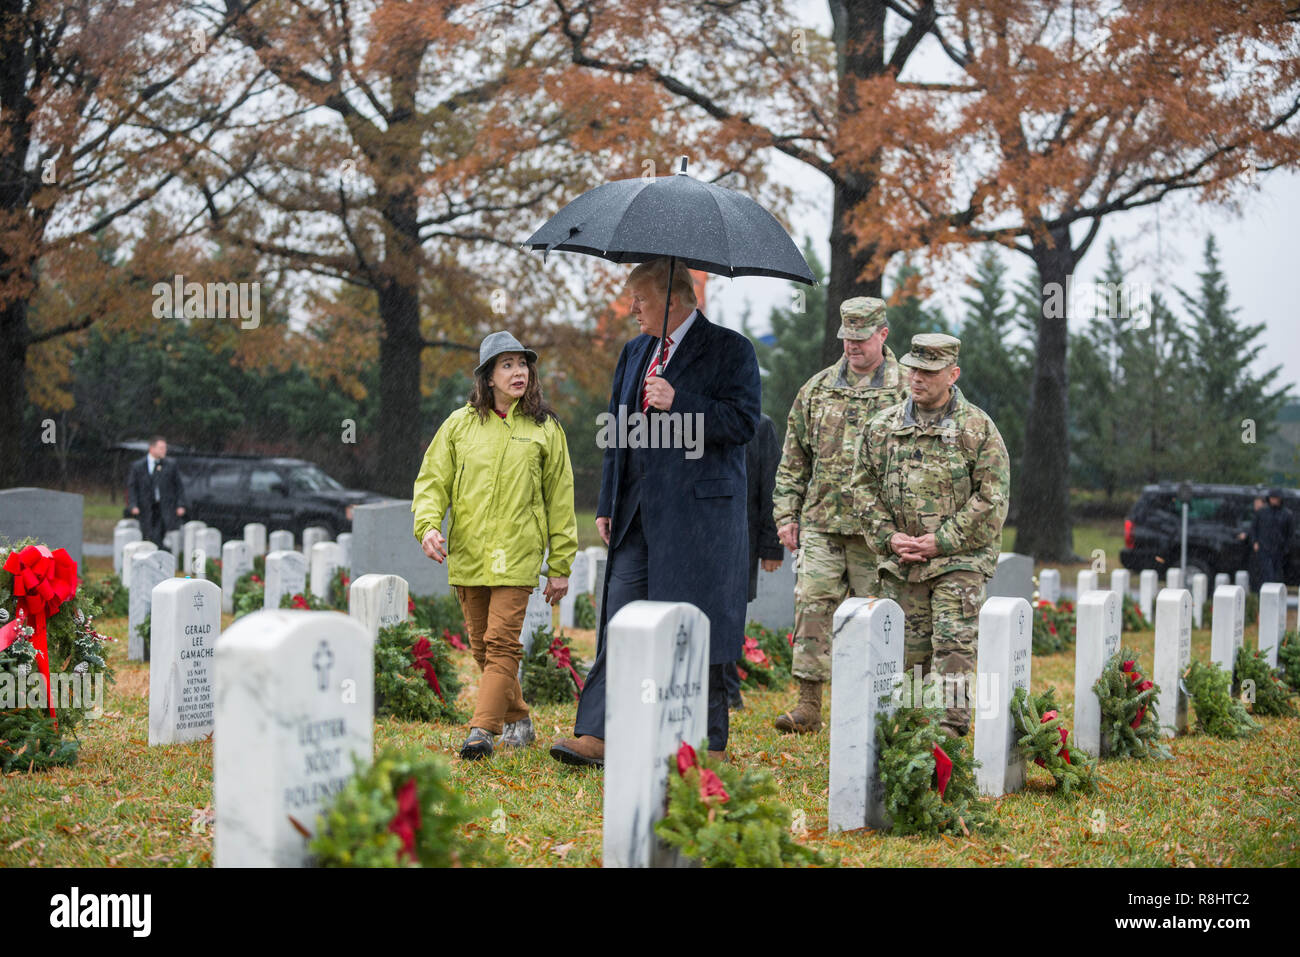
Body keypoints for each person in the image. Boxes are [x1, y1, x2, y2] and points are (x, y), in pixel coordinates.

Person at [549, 257, 760, 767]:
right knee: (616, 621)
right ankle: (598, 733)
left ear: (672, 297)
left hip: (699, 523)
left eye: (639, 300)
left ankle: (708, 745)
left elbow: (744, 423)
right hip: (636, 517)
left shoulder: (731, 350)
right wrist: (607, 501)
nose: (632, 309)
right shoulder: (634, 352)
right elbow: (617, 431)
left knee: (698, 626)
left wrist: (680, 401)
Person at [412, 331, 578, 760]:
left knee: (502, 644)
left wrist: (560, 563)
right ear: (487, 378)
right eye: (506, 365)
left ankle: (481, 731)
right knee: (483, 647)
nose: (518, 372)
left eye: (522, 364)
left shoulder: (544, 428)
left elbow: (560, 498)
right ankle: (518, 717)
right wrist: (428, 526)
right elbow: (433, 481)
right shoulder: (459, 424)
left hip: (518, 556)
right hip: (467, 555)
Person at [854, 333, 1010, 738]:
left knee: (952, 647)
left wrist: (942, 540)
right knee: (908, 658)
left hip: (958, 561)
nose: (917, 377)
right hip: (903, 560)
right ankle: (910, 736)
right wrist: (889, 537)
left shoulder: (977, 429)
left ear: (952, 374)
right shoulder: (882, 428)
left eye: (929, 371)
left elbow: (992, 498)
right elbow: (862, 488)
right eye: (913, 368)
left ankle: (951, 736)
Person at [769, 297, 905, 733]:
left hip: (878, 532)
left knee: (876, 616)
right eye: (847, 338)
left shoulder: (906, 392)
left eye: (861, 339)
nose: (852, 347)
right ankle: (808, 706)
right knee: (812, 606)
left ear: (883, 334)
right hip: (822, 522)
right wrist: (786, 514)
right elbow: (794, 459)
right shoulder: (818, 389)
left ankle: (876, 705)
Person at [725, 412, 785, 710]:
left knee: (731, 614)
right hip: (698, 534)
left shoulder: (760, 426)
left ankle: (730, 692)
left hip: (742, 536)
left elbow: (770, 486)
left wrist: (772, 546)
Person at [126, 436, 189, 549]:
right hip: (146, 507)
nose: (164, 450)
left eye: (165, 448)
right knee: (147, 534)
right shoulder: (138, 466)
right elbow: (132, 487)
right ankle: (158, 553)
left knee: (158, 534)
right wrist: (133, 504)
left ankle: (159, 554)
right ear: (152, 448)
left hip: (164, 507)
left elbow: (178, 486)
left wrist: (180, 504)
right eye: (161, 448)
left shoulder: (170, 465)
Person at [1248, 489, 1294, 586]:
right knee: (1267, 575)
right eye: (1272, 498)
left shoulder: (1287, 514)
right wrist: (1255, 542)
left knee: (1277, 576)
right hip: (1264, 548)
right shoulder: (1262, 512)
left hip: (1279, 550)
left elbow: (1290, 534)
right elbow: (1254, 528)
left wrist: (1286, 548)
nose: (1274, 500)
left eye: (1276, 498)